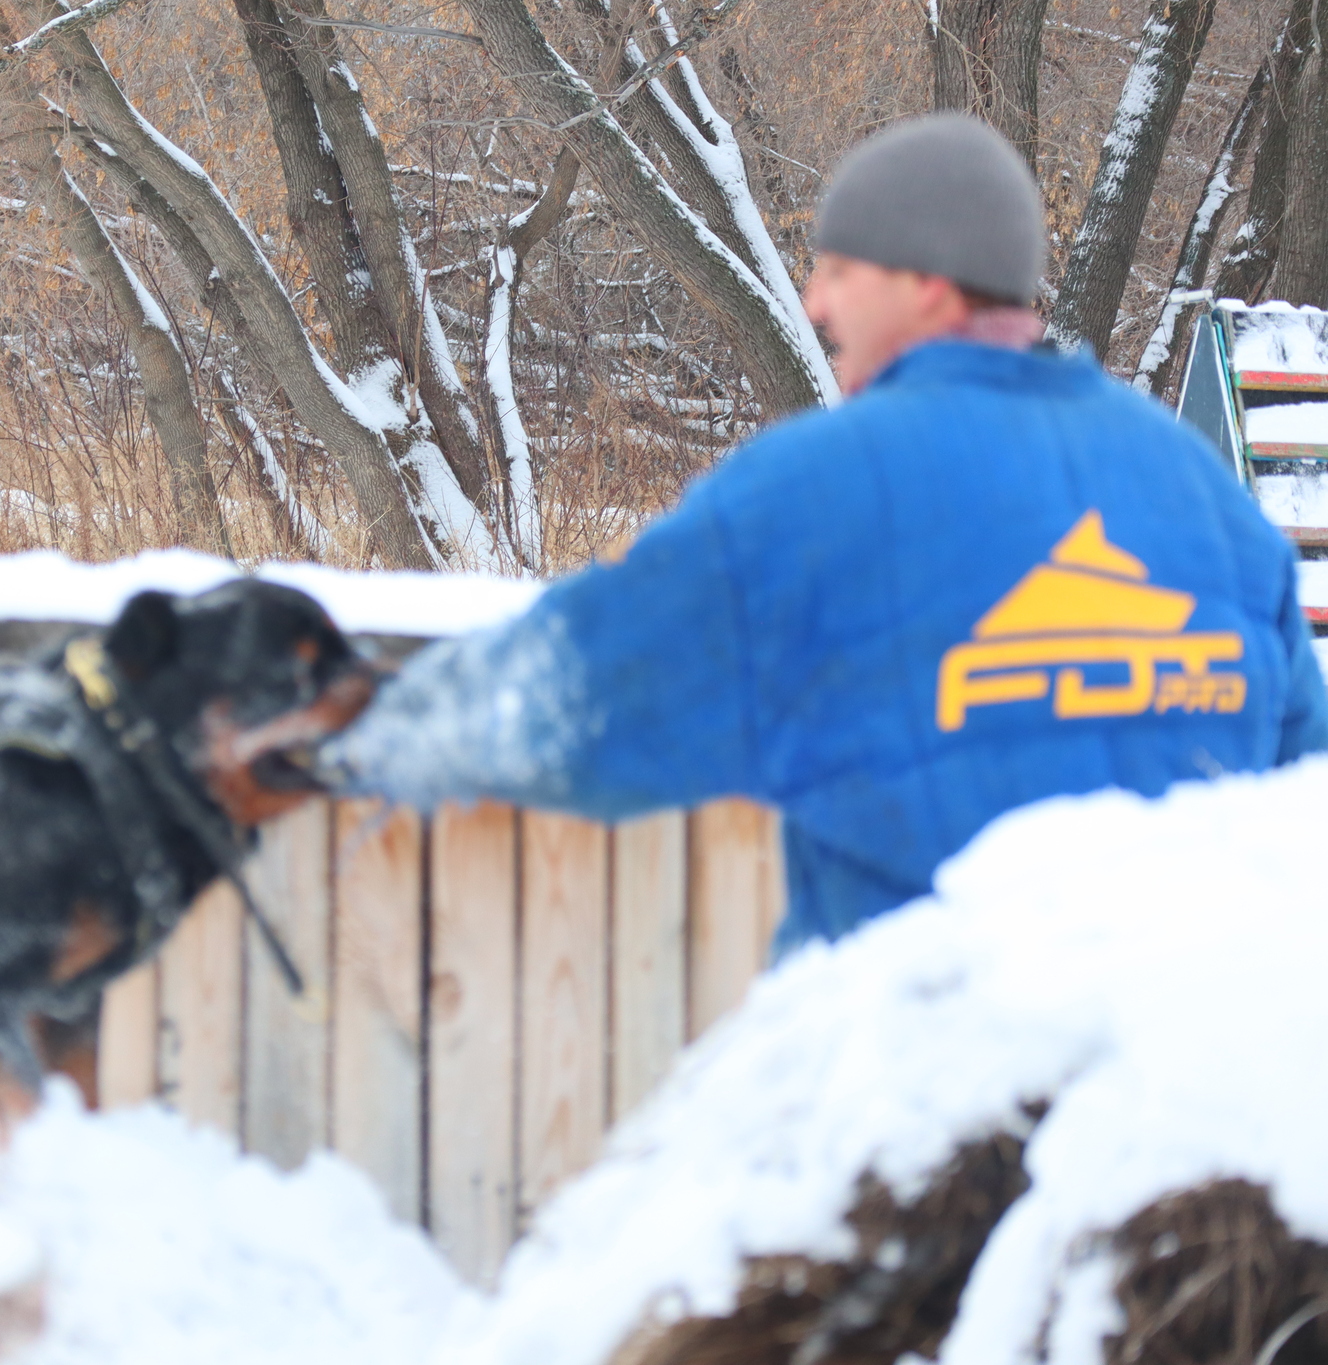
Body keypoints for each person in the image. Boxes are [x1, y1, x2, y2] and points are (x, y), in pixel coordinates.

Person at [324, 113, 1328, 956]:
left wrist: (344, 738)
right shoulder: (1201, 491)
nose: (812, 301)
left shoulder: (823, 488)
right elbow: (1302, 804)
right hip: (1172, 1120)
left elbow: (581, 690)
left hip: (924, 1110)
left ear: (928, 283)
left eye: (839, 268)